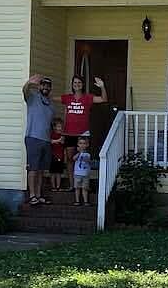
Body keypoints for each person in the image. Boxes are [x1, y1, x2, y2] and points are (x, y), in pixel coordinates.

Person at [61, 75, 107, 187]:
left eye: (79, 83)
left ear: (82, 85)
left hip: (83, 133)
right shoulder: (67, 97)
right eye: (75, 82)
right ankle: (73, 185)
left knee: (84, 158)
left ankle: (84, 185)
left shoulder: (88, 97)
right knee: (70, 160)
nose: (77, 84)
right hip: (69, 133)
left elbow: (103, 99)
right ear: (72, 85)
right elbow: (51, 98)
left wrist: (102, 86)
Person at [23, 74, 54, 205]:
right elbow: (24, 91)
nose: (45, 87)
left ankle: (39, 194)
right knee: (33, 169)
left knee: (41, 170)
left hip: (46, 140)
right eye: (43, 84)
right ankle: (32, 195)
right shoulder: (33, 97)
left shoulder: (51, 105)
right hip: (33, 138)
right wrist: (29, 83)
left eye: (48, 85)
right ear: (39, 86)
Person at [72, 136, 92, 206]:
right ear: (78, 144)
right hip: (77, 173)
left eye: (84, 143)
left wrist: (86, 158)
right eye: (80, 143)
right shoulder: (77, 153)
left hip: (85, 174)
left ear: (87, 145)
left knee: (85, 188)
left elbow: (89, 161)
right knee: (77, 188)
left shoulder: (88, 154)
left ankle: (85, 201)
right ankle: (77, 201)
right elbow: (74, 159)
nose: (82, 145)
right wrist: (79, 153)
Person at [48, 117, 65, 192]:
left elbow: (63, 143)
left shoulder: (62, 135)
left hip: (60, 156)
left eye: (61, 126)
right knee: (53, 172)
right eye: (58, 126)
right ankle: (53, 186)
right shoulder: (52, 134)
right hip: (53, 156)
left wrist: (62, 139)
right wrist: (58, 140)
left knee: (59, 172)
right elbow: (51, 141)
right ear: (54, 127)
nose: (60, 128)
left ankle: (58, 186)